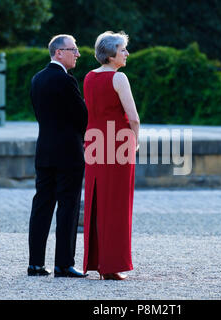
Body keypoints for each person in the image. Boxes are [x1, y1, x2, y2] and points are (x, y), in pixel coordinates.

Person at [28, 34, 88, 278]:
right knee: (68, 207)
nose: (77, 54)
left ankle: (35, 264)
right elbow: (82, 115)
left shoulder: (37, 79)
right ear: (58, 52)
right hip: (68, 153)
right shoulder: (66, 80)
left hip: (44, 151)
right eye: (73, 49)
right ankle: (63, 264)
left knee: (41, 206)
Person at [83, 31, 140, 280]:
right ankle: (112, 266)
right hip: (118, 145)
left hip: (94, 144)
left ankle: (97, 262)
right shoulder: (120, 78)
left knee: (97, 202)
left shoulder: (88, 77)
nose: (126, 53)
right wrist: (135, 142)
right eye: (123, 49)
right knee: (117, 205)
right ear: (110, 54)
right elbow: (134, 117)